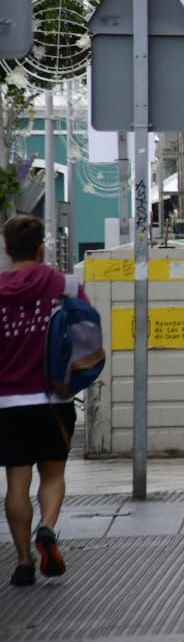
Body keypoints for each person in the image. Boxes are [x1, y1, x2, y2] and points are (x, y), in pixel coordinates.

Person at [1, 216, 77, 586]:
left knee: (17, 482)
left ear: (6, 250)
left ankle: (23, 562)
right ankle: (46, 526)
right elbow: (86, 332)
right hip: (53, 400)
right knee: (53, 474)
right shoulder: (64, 285)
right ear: (41, 249)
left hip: (8, 404)